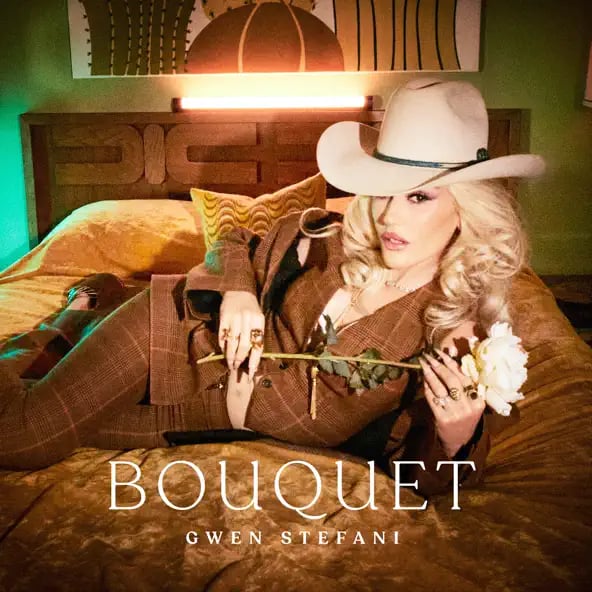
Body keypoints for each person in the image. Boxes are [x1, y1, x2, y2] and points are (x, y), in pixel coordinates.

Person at [0, 79, 545, 498]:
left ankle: (80, 312)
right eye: (384, 191)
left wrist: (455, 438)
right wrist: (238, 292)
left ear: (465, 208)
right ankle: (91, 312)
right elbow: (235, 240)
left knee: (52, 411)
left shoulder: (454, 333)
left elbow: (423, 480)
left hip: (199, 417)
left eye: (419, 197)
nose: (388, 216)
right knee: (24, 439)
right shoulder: (327, 239)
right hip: (171, 335)